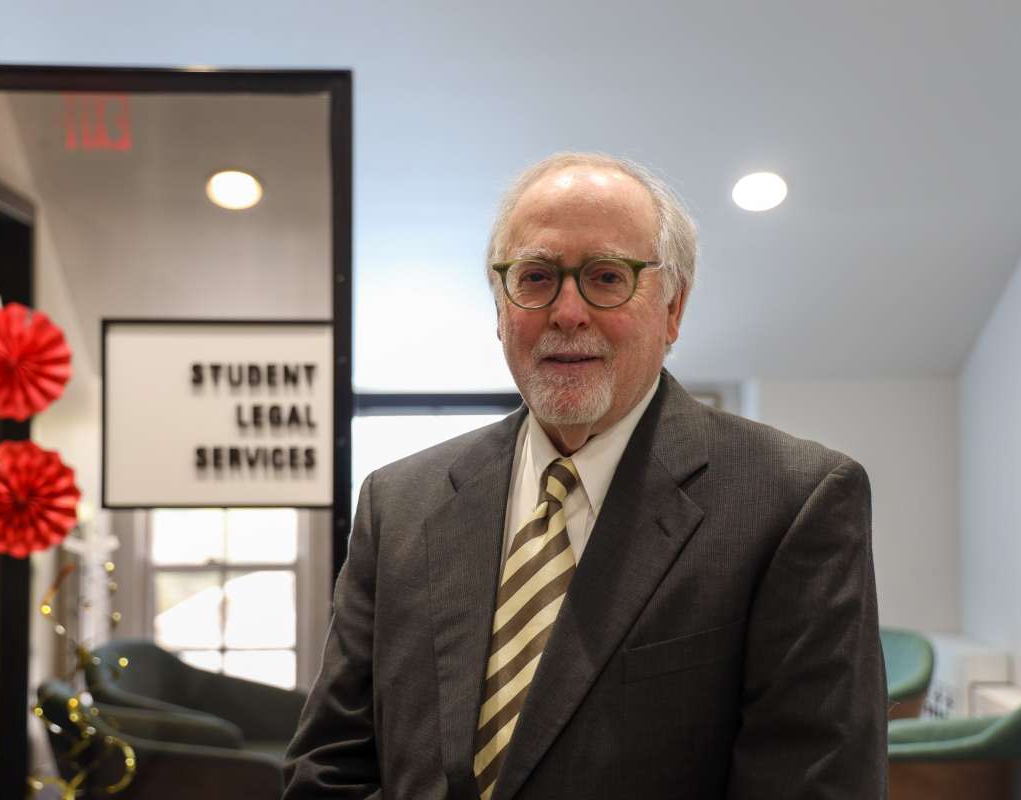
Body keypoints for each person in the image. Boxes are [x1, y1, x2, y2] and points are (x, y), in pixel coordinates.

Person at [283, 153, 887, 799]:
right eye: (536, 277)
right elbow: (331, 766)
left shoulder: (793, 500)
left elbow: (813, 785)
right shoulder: (399, 502)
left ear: (673, 308)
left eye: (606, 277)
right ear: (499, 305)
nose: (567, 312)